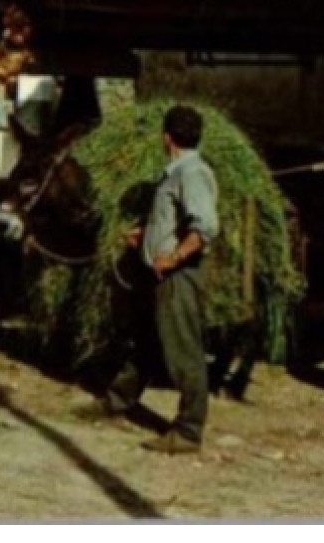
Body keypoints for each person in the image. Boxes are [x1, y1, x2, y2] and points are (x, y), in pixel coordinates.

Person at [92, 104, 220, 454]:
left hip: (179, 276)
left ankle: (189, 431)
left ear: (167, 137)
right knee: (147, 341)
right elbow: (175, 220)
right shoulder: (176, 172)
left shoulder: (191, 174)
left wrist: (174, 256)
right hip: (161, 274)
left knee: (185, 352)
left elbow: (204, 227)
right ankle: (118, 401)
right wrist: (146, 235)